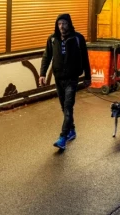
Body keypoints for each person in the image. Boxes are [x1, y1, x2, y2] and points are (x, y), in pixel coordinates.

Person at [39, 14, 91, 150]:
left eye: (64, 23)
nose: (62, 26)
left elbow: (85, 58)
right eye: (59, 23)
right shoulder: (52, 39)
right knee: (64, 107)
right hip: (58, 78)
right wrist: (42, 74)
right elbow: (47, 56)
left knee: (68, 107)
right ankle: (72, 130)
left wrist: (88, 77)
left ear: (69, 24)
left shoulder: (78, 38)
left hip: (72, 79)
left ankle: (63, 137)